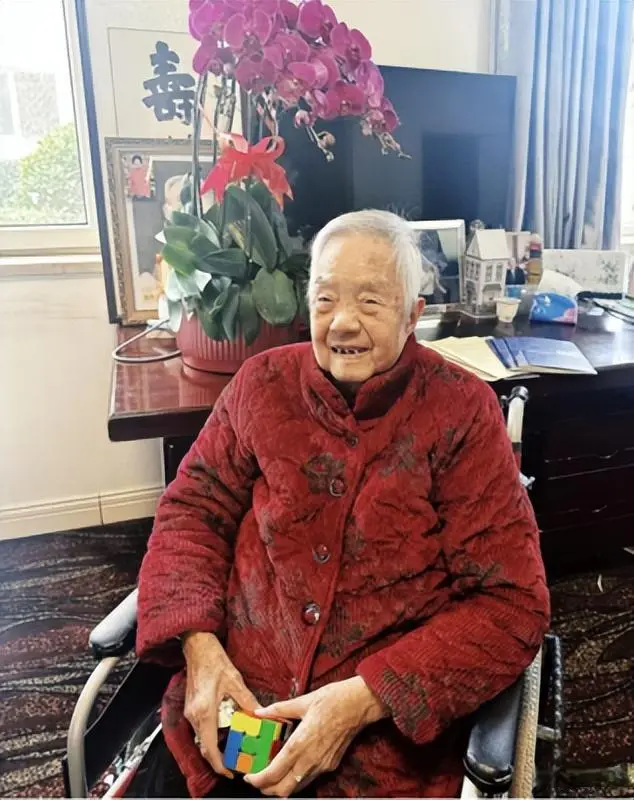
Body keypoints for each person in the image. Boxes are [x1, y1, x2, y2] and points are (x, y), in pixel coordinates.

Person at [137, 209, 550, 798]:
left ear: (413, 315)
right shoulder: (261, 384)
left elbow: (512, 604)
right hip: (232, 711)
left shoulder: (462, 413)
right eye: (325, 299)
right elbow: (192, 512)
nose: (343, 323)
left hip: (379, 750)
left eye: (371, 302)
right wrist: (199, 648)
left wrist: (368, 698)